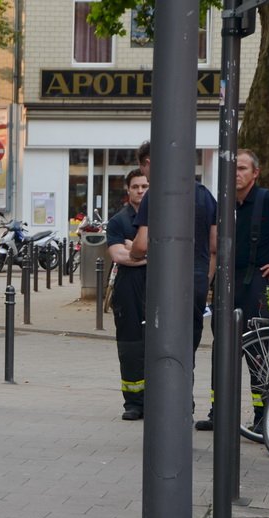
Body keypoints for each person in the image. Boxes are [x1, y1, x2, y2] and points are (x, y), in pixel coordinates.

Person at [194, 149, 269, 431]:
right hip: (228, 286)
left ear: (255, 173)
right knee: (222, 352)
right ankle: (219, 414)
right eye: (232, 169)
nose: (236, 174)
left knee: (263, 355)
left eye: (243, 169)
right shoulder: (223, 204)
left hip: (262, 288)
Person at [129, 141, 218, 358]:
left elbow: (141, 244)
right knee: (188, 351)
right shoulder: (205, 194)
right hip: (196, 283)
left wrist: (133, 252)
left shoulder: (155, 194)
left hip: (165, 285)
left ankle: (165, 391)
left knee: (163, 352)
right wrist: (204, 280)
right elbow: (215, 246)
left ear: (148, 163)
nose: (144, 176)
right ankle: (184, 388)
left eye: (142, 168)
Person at [107, 169, 149, 420]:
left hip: (155, 288)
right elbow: (118, 256)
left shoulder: (161, 216)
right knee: (130, 348)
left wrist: (136, 251)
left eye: (145, 186)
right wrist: (151, 256)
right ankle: (133, 403)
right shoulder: (118, 221)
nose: (141, 191)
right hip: (128, 291)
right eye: (136, 187)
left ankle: (154, 400)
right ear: (128, 190)